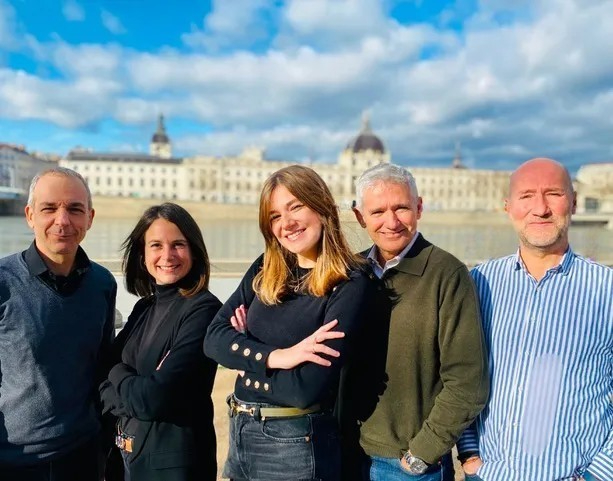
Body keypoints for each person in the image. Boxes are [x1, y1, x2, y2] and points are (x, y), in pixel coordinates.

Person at [204, 164, 373, 481]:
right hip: (241, 431)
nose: (287, 223)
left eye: (296, 207)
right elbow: (213, 339)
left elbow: (306, 390)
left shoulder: (349, 282)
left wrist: (247, 365)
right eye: (275, 216)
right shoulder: (265, 268)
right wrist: (278, 357)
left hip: (294, 443)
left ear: (322, 207)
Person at [457, 158, 612, 481]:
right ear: (508, 207)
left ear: (574, 202)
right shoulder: (479, 283)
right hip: (489, 475)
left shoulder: (606, 290)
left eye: (553, 194)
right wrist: (470, 455)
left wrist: (597, 475)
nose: (540, 209)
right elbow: (459, 375)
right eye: (526, 196)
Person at [340, 163, 489, 481]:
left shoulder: (447, 273)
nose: (391, 222)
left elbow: (467, 381)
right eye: (378, 211)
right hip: (347, 453)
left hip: (407, 466)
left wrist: (422, 453)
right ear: (359, 216)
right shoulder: (350, 271)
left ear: (419, 208)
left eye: (401, 208)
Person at [0, 167, 117, 481]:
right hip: (13, 462)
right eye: (49, 208)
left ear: (90, 218)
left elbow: (101, 366)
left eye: (75, 209)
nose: (62, 221)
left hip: (83, 456)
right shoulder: (3, 281)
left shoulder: (102, 283)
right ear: (30, 215)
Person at [99, 203, 221, 481]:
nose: (167, 255)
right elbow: (101, 373)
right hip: (126, 459)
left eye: (178, 244)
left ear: (193, 251)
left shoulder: (203, 310)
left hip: (173, 467)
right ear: (142, 255)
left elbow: (153, 400)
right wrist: (131, 386)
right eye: (156, 245)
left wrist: (117, 371)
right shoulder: (145, 307)